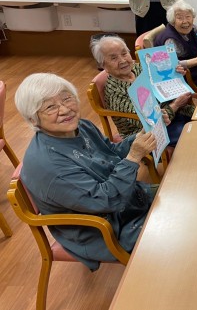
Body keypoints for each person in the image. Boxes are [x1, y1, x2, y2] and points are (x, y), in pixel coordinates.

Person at [15, 73, 157, 271]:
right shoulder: (49, 165)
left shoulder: (81, 126)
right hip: (104, 229)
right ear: (33, 119)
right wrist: (134, 157)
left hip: (128, 198)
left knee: (182, 197)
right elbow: (106, 201)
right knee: (178, 238)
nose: (65, 110)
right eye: (50, 107)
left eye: (67, 98)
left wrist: (140, 136)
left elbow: (111, 152)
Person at [90, 35, 193, 146]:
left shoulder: (138, 68)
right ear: (103, 65)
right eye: (114, 58)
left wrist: (176, 76)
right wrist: (175, 105)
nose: (123, 60)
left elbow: (163, 85)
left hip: (173, 114)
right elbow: (149, 122)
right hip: (148, 134)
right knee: (193, 135)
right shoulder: (115, 93)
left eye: (124, 53)